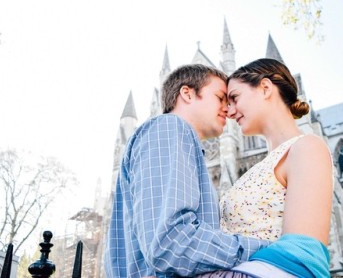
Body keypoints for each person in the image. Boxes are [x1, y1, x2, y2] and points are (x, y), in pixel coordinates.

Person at [104, 64, 271, 278]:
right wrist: (268, 250)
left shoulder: (180, 141)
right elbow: (170, 243)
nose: (229, 110)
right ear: (187, 94)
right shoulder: (169, 129)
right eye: (220, 98)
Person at [198, 58, 333, 278]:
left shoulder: (307, 147)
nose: (229, 112)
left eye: (234, 98)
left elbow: (303, 258)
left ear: (265, 88)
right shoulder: (256, 170)